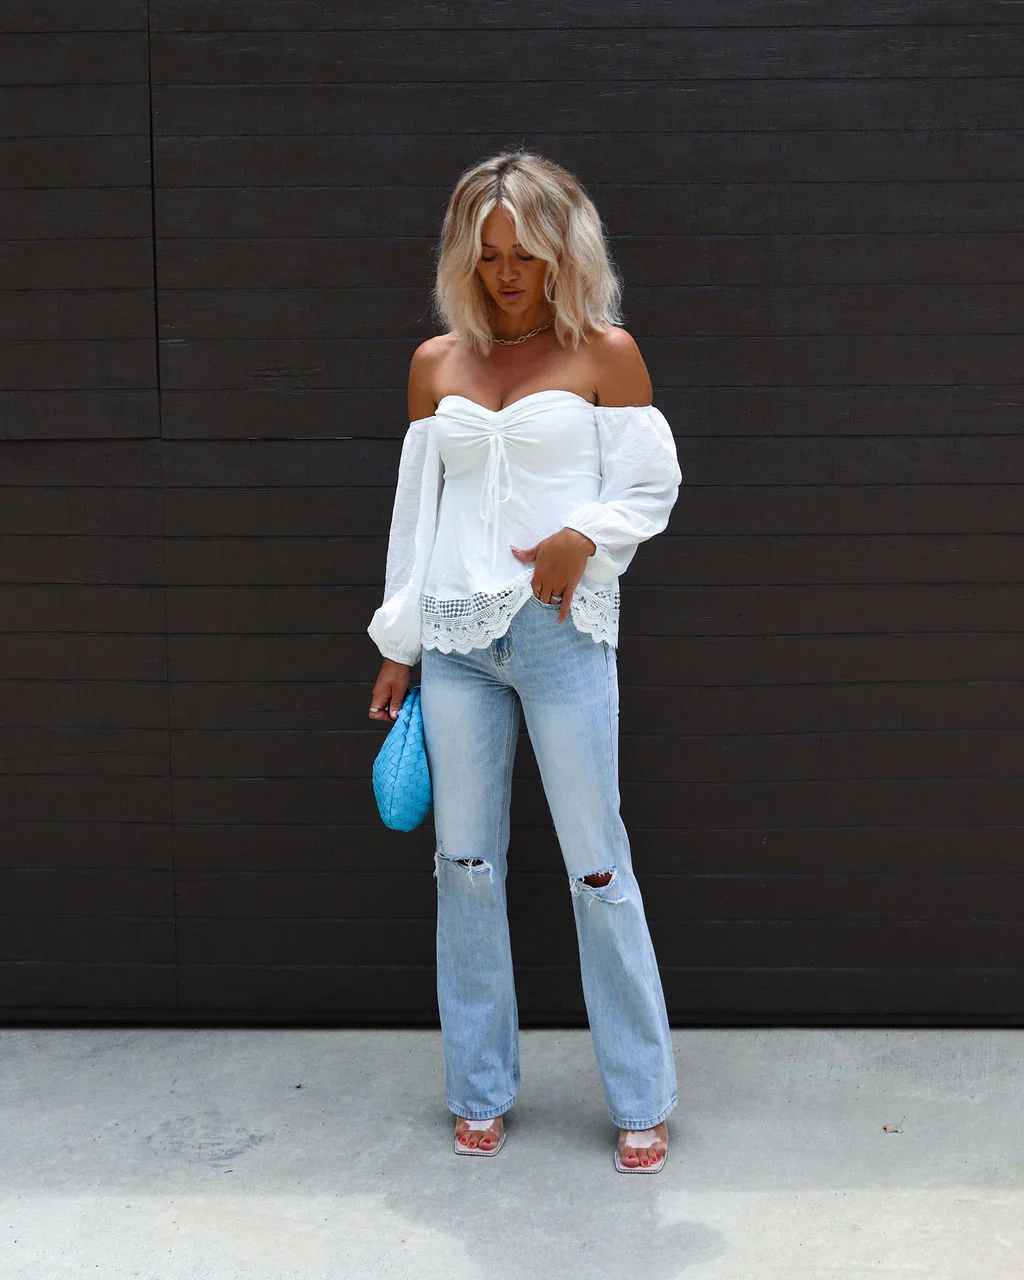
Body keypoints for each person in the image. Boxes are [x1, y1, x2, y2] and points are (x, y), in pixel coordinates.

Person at [366, 151, 682, 1173]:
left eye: (527, 253)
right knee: (464, 869)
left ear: (562, 252)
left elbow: (650, 485)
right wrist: (400, 646)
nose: (507, 273)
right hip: (456, 643)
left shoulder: (604, 354)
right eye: (489, 253)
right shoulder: (436, 364)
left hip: (560, 638)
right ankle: (479, 1089)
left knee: (598, 865)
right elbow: (417, 520)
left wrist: (582, 536)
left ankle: (641, 1095)